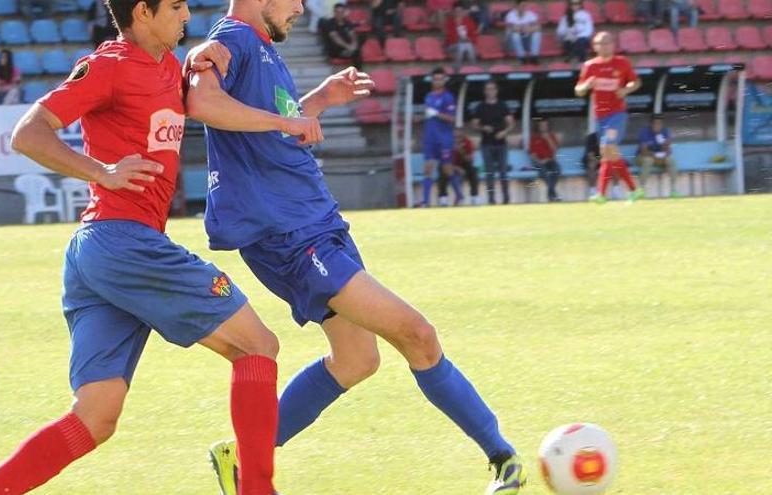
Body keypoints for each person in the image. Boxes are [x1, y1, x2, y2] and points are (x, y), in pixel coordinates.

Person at [185, 1, 525, 493]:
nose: (302, 7)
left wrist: (316, 103)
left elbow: (274, 131)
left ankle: (243, 456)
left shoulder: (260, 46)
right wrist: (288, 123)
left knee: (356, 360)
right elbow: (202, 105)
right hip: (290, 235)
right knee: (417, 334)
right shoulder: (233, 40)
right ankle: (503, 458)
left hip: (315, 223)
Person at [0, 0, 294, 493]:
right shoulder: (110, 65)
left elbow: (189, 87)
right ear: (141, 12)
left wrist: (200, 53)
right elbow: (27, 133)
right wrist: (102, 172)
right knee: (258, 346)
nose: (185, 15)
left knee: (96, 418)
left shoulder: (168, 64)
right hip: (123, 242)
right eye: (176, 7)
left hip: (102, 254)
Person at [576, 31, 644, 204]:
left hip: (617, 114)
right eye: (600, 43)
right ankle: (630, 191)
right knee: (607, 153)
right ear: (595, 46)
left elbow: (635, 82)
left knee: (607, 145)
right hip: (601, 116)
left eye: (607, 42)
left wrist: (626, 89)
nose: (604, 46)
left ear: (613, 45)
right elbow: (578, 90)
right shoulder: (590, 66)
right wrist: (586, 85)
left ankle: (603, 194)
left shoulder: (622, 62)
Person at [471, 80, 516, 205]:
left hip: (501, 143)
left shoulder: (502, 105)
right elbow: (474, 124)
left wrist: (504, 132)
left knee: (503, 172)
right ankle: (491, 199)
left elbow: (511, 123)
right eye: (488, 89)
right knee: (489, 173)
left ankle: (506, 199)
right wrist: (483, 128)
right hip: (486, 143)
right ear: (485, 91)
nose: (490, 91)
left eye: (492, 89)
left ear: (496, 90)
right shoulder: (480, 107)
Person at [419, 67, 457, 207]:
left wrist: (436, 113)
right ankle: (426, 202)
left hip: (444, 137)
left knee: (447, 168)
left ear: (444, 80)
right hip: (430, 137)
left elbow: (452, 118)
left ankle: (459, 195)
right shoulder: (429, 96)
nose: (438, 81)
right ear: (432, 80)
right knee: (428, 168)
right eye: (436, 79)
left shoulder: (448, 97)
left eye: (441, 79)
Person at [638, 114, 680, 197]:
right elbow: (643, 151)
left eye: (660, 124)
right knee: (648, 160)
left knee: (671, 160)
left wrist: (664, 144)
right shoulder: (645, 131)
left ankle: (674, 190)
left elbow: (669, 151)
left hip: (659, 158)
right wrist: (655, 155)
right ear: (651, 124)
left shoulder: (665, 131)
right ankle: (641, 190)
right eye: (655, 123)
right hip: (643, 157)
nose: (658, 126)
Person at [442, 126, 481, 205]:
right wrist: (456, 168)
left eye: (459, 137)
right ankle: (443, 198)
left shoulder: (467, 142)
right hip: (450, 165)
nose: (457, 139)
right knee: (443, 171)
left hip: (464, 164)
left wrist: (461, 150)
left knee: (473, 171)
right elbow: (445, 160)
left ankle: (474, 196)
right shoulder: (447, 143)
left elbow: (469, 159)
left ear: (463, 135)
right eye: (455, 137)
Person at [529, 117, 561, 202]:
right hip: (539, 162)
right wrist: (540, 161)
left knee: (557, 170)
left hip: (550, 160)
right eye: (542, 125)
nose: (544, 127)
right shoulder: (534, 137)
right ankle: (553, 195)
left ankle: (551, 195)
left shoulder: (551, 136)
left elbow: (554, 149)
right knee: (544, 172)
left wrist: (547, 139)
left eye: (545, 125)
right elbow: (532, 155)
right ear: (539, 127)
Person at [323, 3, 362, 69]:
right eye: (337, 12)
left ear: (344, 13)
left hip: (347, 49)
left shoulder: (347, 22)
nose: (339, 14)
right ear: (334, 12)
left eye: (341, 12)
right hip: (335, 50)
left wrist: (354, 45)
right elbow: (335, 38)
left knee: (357, 49)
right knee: (355, 53)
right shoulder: (330, 23)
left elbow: (352, 35)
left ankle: (358, 72)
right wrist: (348, 47)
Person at [444, 3, 478, 72]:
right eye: (456, 11)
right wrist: (460, 39)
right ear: (453, 12)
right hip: (452, 45)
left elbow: (474, 35)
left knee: (467, 46)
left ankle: (472, 69)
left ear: (463, 12)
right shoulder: (449, 23)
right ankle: (460, 69)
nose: (458, 13)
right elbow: (449, 38)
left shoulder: (469, 21)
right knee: (462, 45)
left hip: (467, 44)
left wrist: (468, 39)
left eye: (460, 11)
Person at [505, 0, 541, 65]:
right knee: (515, 35)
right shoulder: (510, 15)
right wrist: (525, 28)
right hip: (513, 43)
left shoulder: (530, 14)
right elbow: (512, 28)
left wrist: (528, 29)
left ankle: (534, 56)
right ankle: (521, 57)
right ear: (516, 6)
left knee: (537, 34)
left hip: (526, 40)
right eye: (522, 6)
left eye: (525, 6)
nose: (524, 7)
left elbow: (537, 27)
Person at [582, 131, 600, 197]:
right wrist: (596, 161)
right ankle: (592, 190)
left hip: (602, 158)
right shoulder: (591, 137)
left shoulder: (609, 136)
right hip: (590, 159)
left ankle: (616, 188)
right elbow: (590, 154)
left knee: (615, 165)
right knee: (591, 166)